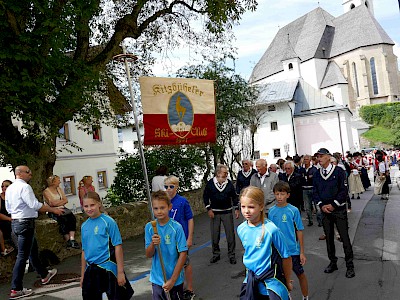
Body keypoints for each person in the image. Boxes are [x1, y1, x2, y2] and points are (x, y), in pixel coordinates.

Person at [6, 166, 63, 299]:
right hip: (25, 223)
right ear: (19, 174)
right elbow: (34, 205)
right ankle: (16, 289)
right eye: (28, 172)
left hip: (15, 223)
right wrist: (53, 210)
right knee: (22, 256)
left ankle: (44, 275)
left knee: (32, 250)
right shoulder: (25, 187)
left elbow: (9, 208)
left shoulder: (10, 189)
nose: (31, 174)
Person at [237, 186, 292, 300]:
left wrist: (287, 280)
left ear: (261, 206)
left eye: (251, 207)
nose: (246, 211)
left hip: (271, 284)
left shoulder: (271, 230)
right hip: (250, 282)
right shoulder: (241, 229)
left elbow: (286, 257)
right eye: (243, 206)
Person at [80, 191, 133, 300]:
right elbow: (84, 251)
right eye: (86, 206)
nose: (89, 208)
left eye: (92, 205)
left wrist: (120, 272)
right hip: (91, 269)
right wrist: (82, 275)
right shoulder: (84, 226)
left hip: (108, 267)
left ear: (99, 204)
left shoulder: (108, 222)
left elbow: (118, 246)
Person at [312, 149, 355, 279]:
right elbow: (315, 192)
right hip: (325, 211)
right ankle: (333, 262)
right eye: (318, 157)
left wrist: (334, 204)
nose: (319, 158)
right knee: (329, 238)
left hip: (338, 210)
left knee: (344, 237)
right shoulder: (317, 174)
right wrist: (321, 205)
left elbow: (343, 190)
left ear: (328, 157)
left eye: (321, 156)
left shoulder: (339, 171)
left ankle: (350, 265)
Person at [269, 182, 309, 300]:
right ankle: (287, 295)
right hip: (278, 251)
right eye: (277, 194)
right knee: (282, 277)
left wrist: (301, 252)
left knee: (300, 274)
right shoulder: (271, 211)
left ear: (288, 195)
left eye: (282, 194)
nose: (280, 197)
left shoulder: (293, 210)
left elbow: (299, 231)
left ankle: (305, 296)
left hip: (292, 250)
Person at [145, 191, 188, 300]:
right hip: (157, 279)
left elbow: (183, 254)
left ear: (169, 207)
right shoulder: (150, 227)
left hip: (175, 279)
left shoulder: (176, 228)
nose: (159, 211)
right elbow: (149, 254)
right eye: (156, 208)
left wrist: (172, 280)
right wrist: (153, 244)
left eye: (162, 207)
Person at [164, 175, 195, 300]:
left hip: (182, 238)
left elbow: (190, 219)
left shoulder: (182, 201)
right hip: (168, 239)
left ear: (176, 187)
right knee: (172, 263)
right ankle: (176, 286)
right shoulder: (164, 203)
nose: (168, 189)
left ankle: (190, 288)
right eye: (166, 187)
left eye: (171, 186)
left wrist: (189, 238)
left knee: (185, 263)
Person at [203, 164, 239, 264]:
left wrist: (236, 208)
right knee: (215, 235)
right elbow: (205, 197)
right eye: (225, 172)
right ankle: (216, 254)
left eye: (227, 173)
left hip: (227, 212)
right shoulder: (210, 183)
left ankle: (232, 255)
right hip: (215, 213)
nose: (227, 174)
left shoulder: (229, 184)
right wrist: (208, 209)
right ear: (218, 173)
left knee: (230, 235)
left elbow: (234, 197)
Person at [43, 175, 79, 249]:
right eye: (58, 180)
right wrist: (60, 202)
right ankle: (67, 239)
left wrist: (58, 203)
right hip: (52, 210)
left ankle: (72, 238)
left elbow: (65, 200)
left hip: (63, 208)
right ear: (53, 182)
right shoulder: (46, 192)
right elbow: (51, 204)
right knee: (62, 220)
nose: (60, 181)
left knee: (72, 218)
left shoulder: (59, 189)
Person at [301, 155, 318, 227]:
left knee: (317, 206)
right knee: (307, 206)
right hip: (305, 188)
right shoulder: (301, 169)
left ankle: (319, 220)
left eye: (307, 159)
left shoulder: (314, 169)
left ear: (310, 160)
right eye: (304, 159)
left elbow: (316, 178)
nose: (305, 161)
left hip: (312, 188)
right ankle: (310, 220)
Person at [0, 180, 15, 256]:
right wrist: (10, 219)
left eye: (6, 186)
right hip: (4, 220)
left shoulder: (14, 197)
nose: (4, 188)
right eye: (2, 186)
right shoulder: (0, 197)